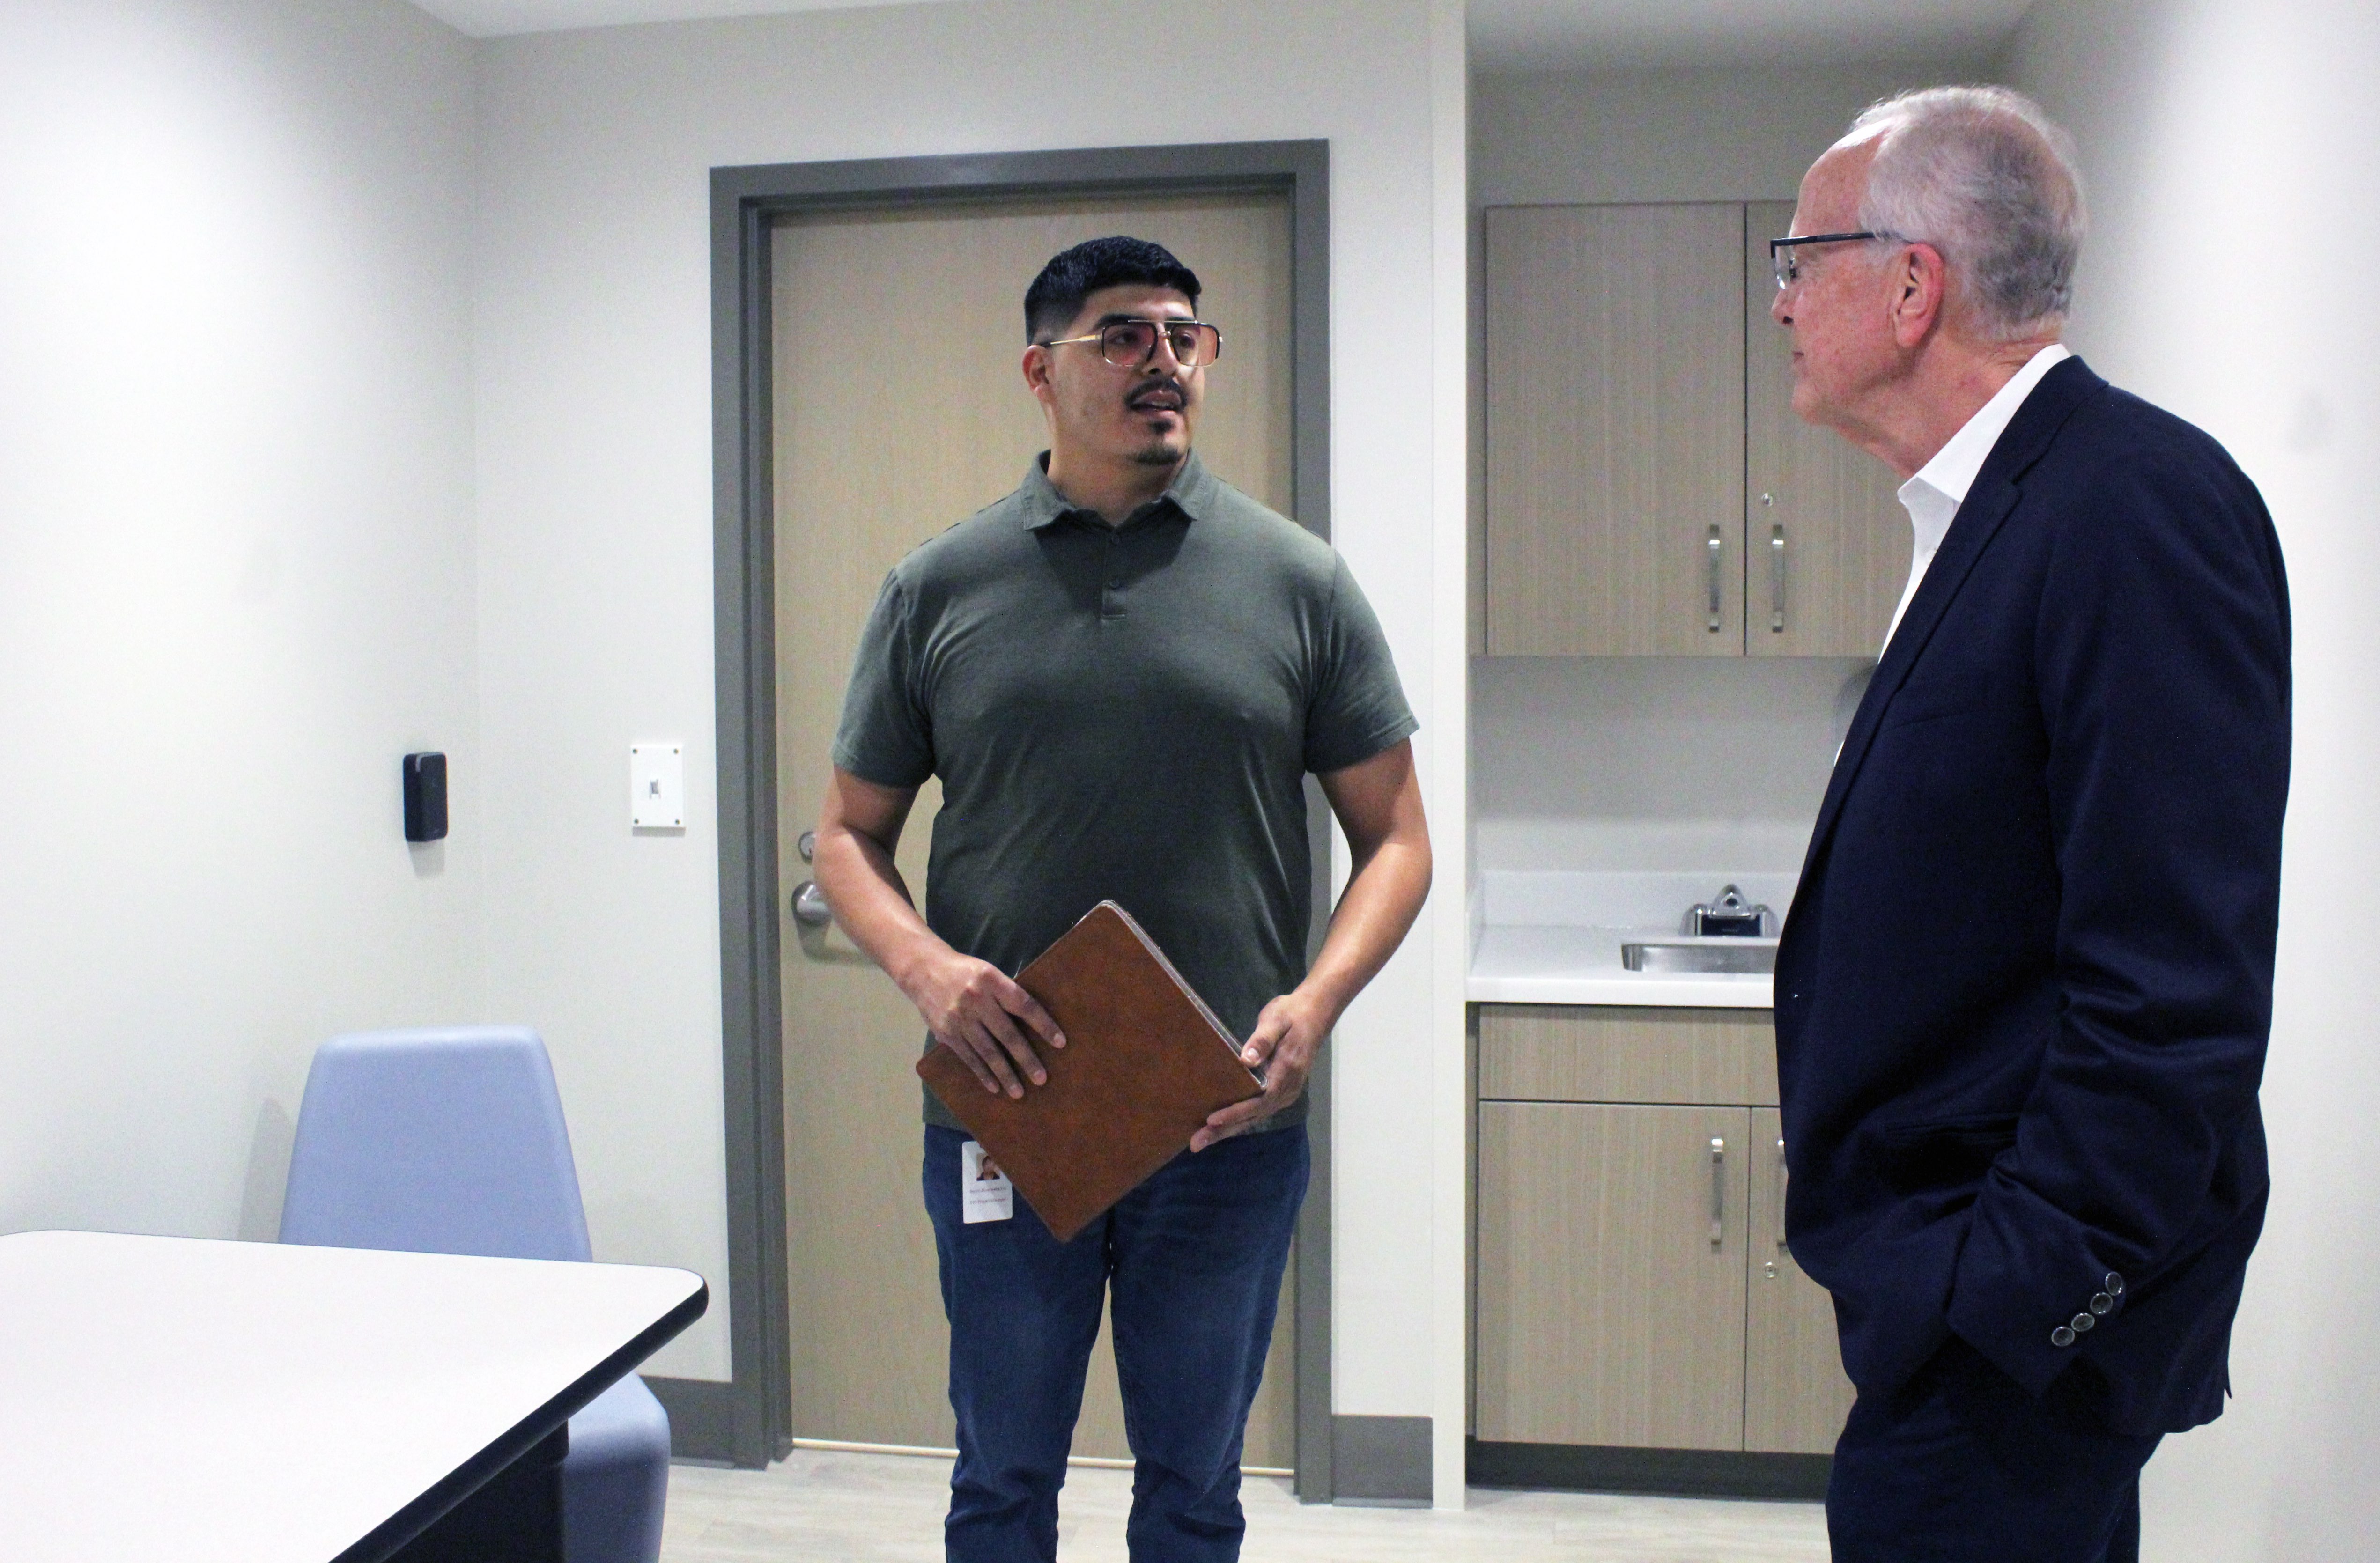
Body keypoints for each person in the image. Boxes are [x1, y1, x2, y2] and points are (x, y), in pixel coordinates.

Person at [811, 235, 1432, 1562]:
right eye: (1123, 337)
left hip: (1224, 1118)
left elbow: (1396, 840)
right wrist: (929, 972)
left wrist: (1313, 1006)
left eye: (1183, 336)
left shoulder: (1296, 581)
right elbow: (846, 841)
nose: (1164, 363)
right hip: (1009, 1112)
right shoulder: (938, 587)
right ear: (1041, 371)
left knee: (1197, 1488)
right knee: (1000, 1477)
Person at [1766, 87, 2290, 1562]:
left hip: (2014, 1333)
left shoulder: (2130, 507)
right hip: (1968, 1300)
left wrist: (2011, 1304)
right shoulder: (1994, 510)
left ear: (1912, 283)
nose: (1784, 300)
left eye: (1800, 258)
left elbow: (2173, 984)